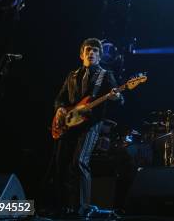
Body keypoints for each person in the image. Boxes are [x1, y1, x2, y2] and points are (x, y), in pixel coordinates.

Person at [53, 38, 123, 216]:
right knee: (60, 164)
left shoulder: (105, 75)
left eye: (95, 51)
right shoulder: (72, 75)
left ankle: (83, 207)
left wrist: (117, 97)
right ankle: (63, 206)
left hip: (91, 124)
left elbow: (119, 99)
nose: (91, 53)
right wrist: (60, 109)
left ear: (99, 56)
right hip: (69, 125)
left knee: (80, 162)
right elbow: (60, 98)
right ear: (81, 54)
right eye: (88, 50)